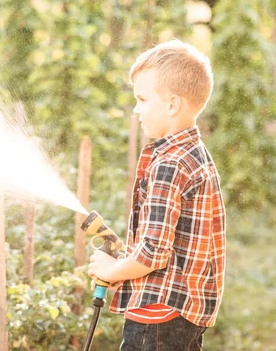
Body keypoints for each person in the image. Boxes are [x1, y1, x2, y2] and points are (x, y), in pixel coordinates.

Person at [88, 40, 226, 351]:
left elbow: (152, 252)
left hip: (158, 316)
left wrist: (113, 270)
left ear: (172, 104)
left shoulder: (170, 164)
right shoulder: (195, 154)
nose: (136, 108)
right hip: (186, 312)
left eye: (142, 98)